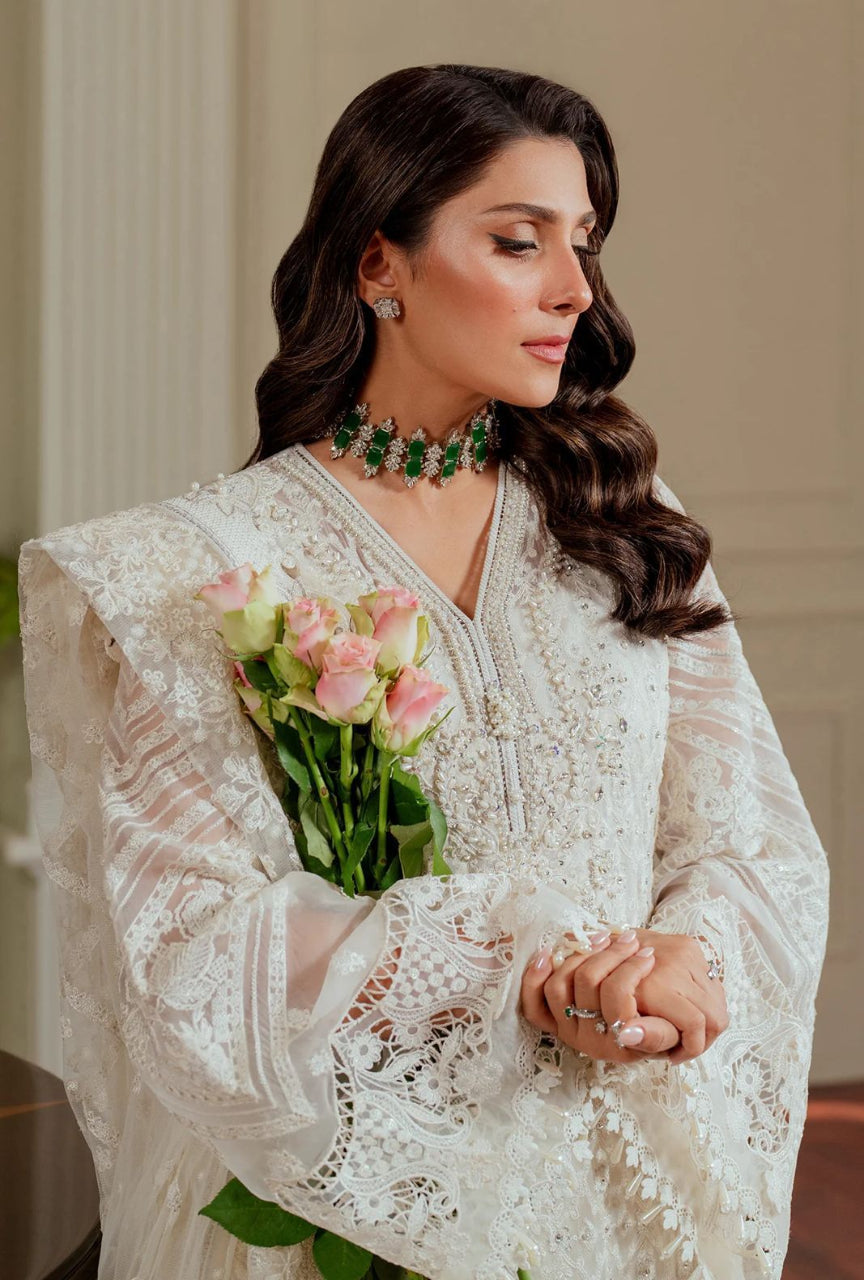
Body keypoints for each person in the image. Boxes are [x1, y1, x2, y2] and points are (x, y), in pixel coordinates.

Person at [17, 64, 829, 1280]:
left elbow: (748, 836)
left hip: (623, 1189)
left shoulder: (625, 521)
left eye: (586, 245)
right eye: (519, 241)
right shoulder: (204, 571)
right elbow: (189, 939)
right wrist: (514, 962)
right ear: (376, 264)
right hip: (335, 1217)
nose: (572, 290)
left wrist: (674, 964)